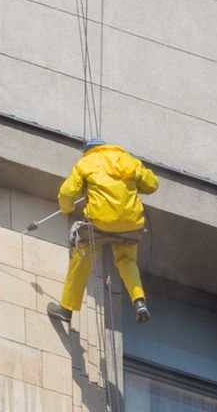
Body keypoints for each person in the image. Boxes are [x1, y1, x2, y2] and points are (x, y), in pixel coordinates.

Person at [49, 139, 157, 325]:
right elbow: (152, 185)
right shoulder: (130, 161)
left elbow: (67, 192)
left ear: (88, 150)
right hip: (130, 225)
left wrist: (66, 209)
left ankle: (66, 309)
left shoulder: (86, 162)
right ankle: (139, 300)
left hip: (100, 222)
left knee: (81, 259)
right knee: (127, 261)